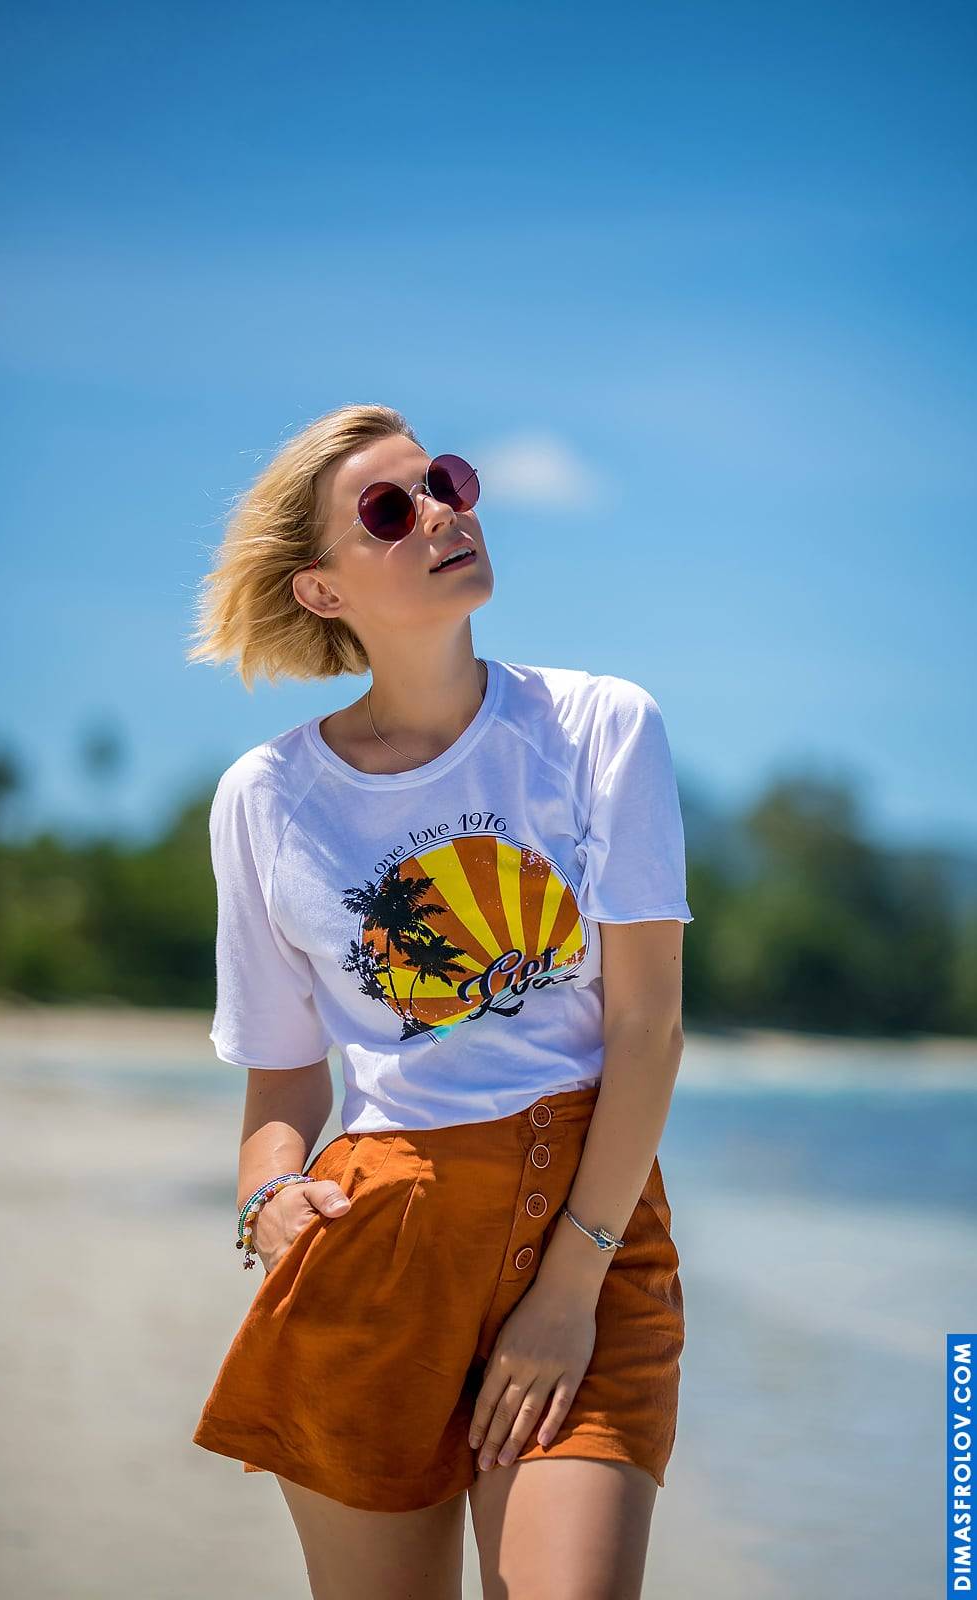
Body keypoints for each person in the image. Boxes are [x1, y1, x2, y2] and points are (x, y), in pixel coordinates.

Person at [185, 403, 693, 1600]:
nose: (439, 513)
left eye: (445, 482)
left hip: (586, 1231)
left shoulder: (597, 726)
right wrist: (267, 1197)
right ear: (321, 590)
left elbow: (646, 1026)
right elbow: (283, 1080)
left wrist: (567, 1288)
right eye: (388, 508)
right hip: (377, 1256)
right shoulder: (264, 799)